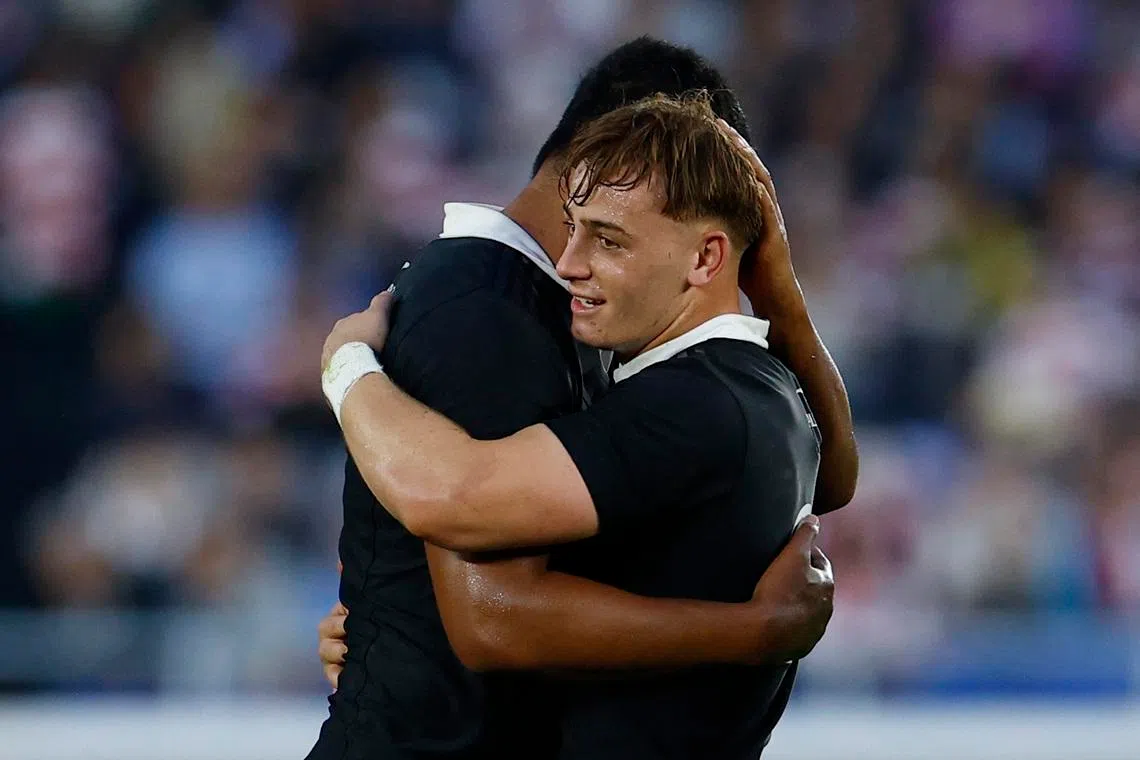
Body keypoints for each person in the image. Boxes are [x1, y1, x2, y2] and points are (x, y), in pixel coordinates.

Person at [308, 39, 856, 760]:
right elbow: (836, 477)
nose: (575, 262)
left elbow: (481, 573)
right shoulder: (492, 310)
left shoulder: (694, 394)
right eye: (582, 224)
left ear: (704, 253)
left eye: (609, 238)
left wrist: (345, 363)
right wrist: (391, 612)